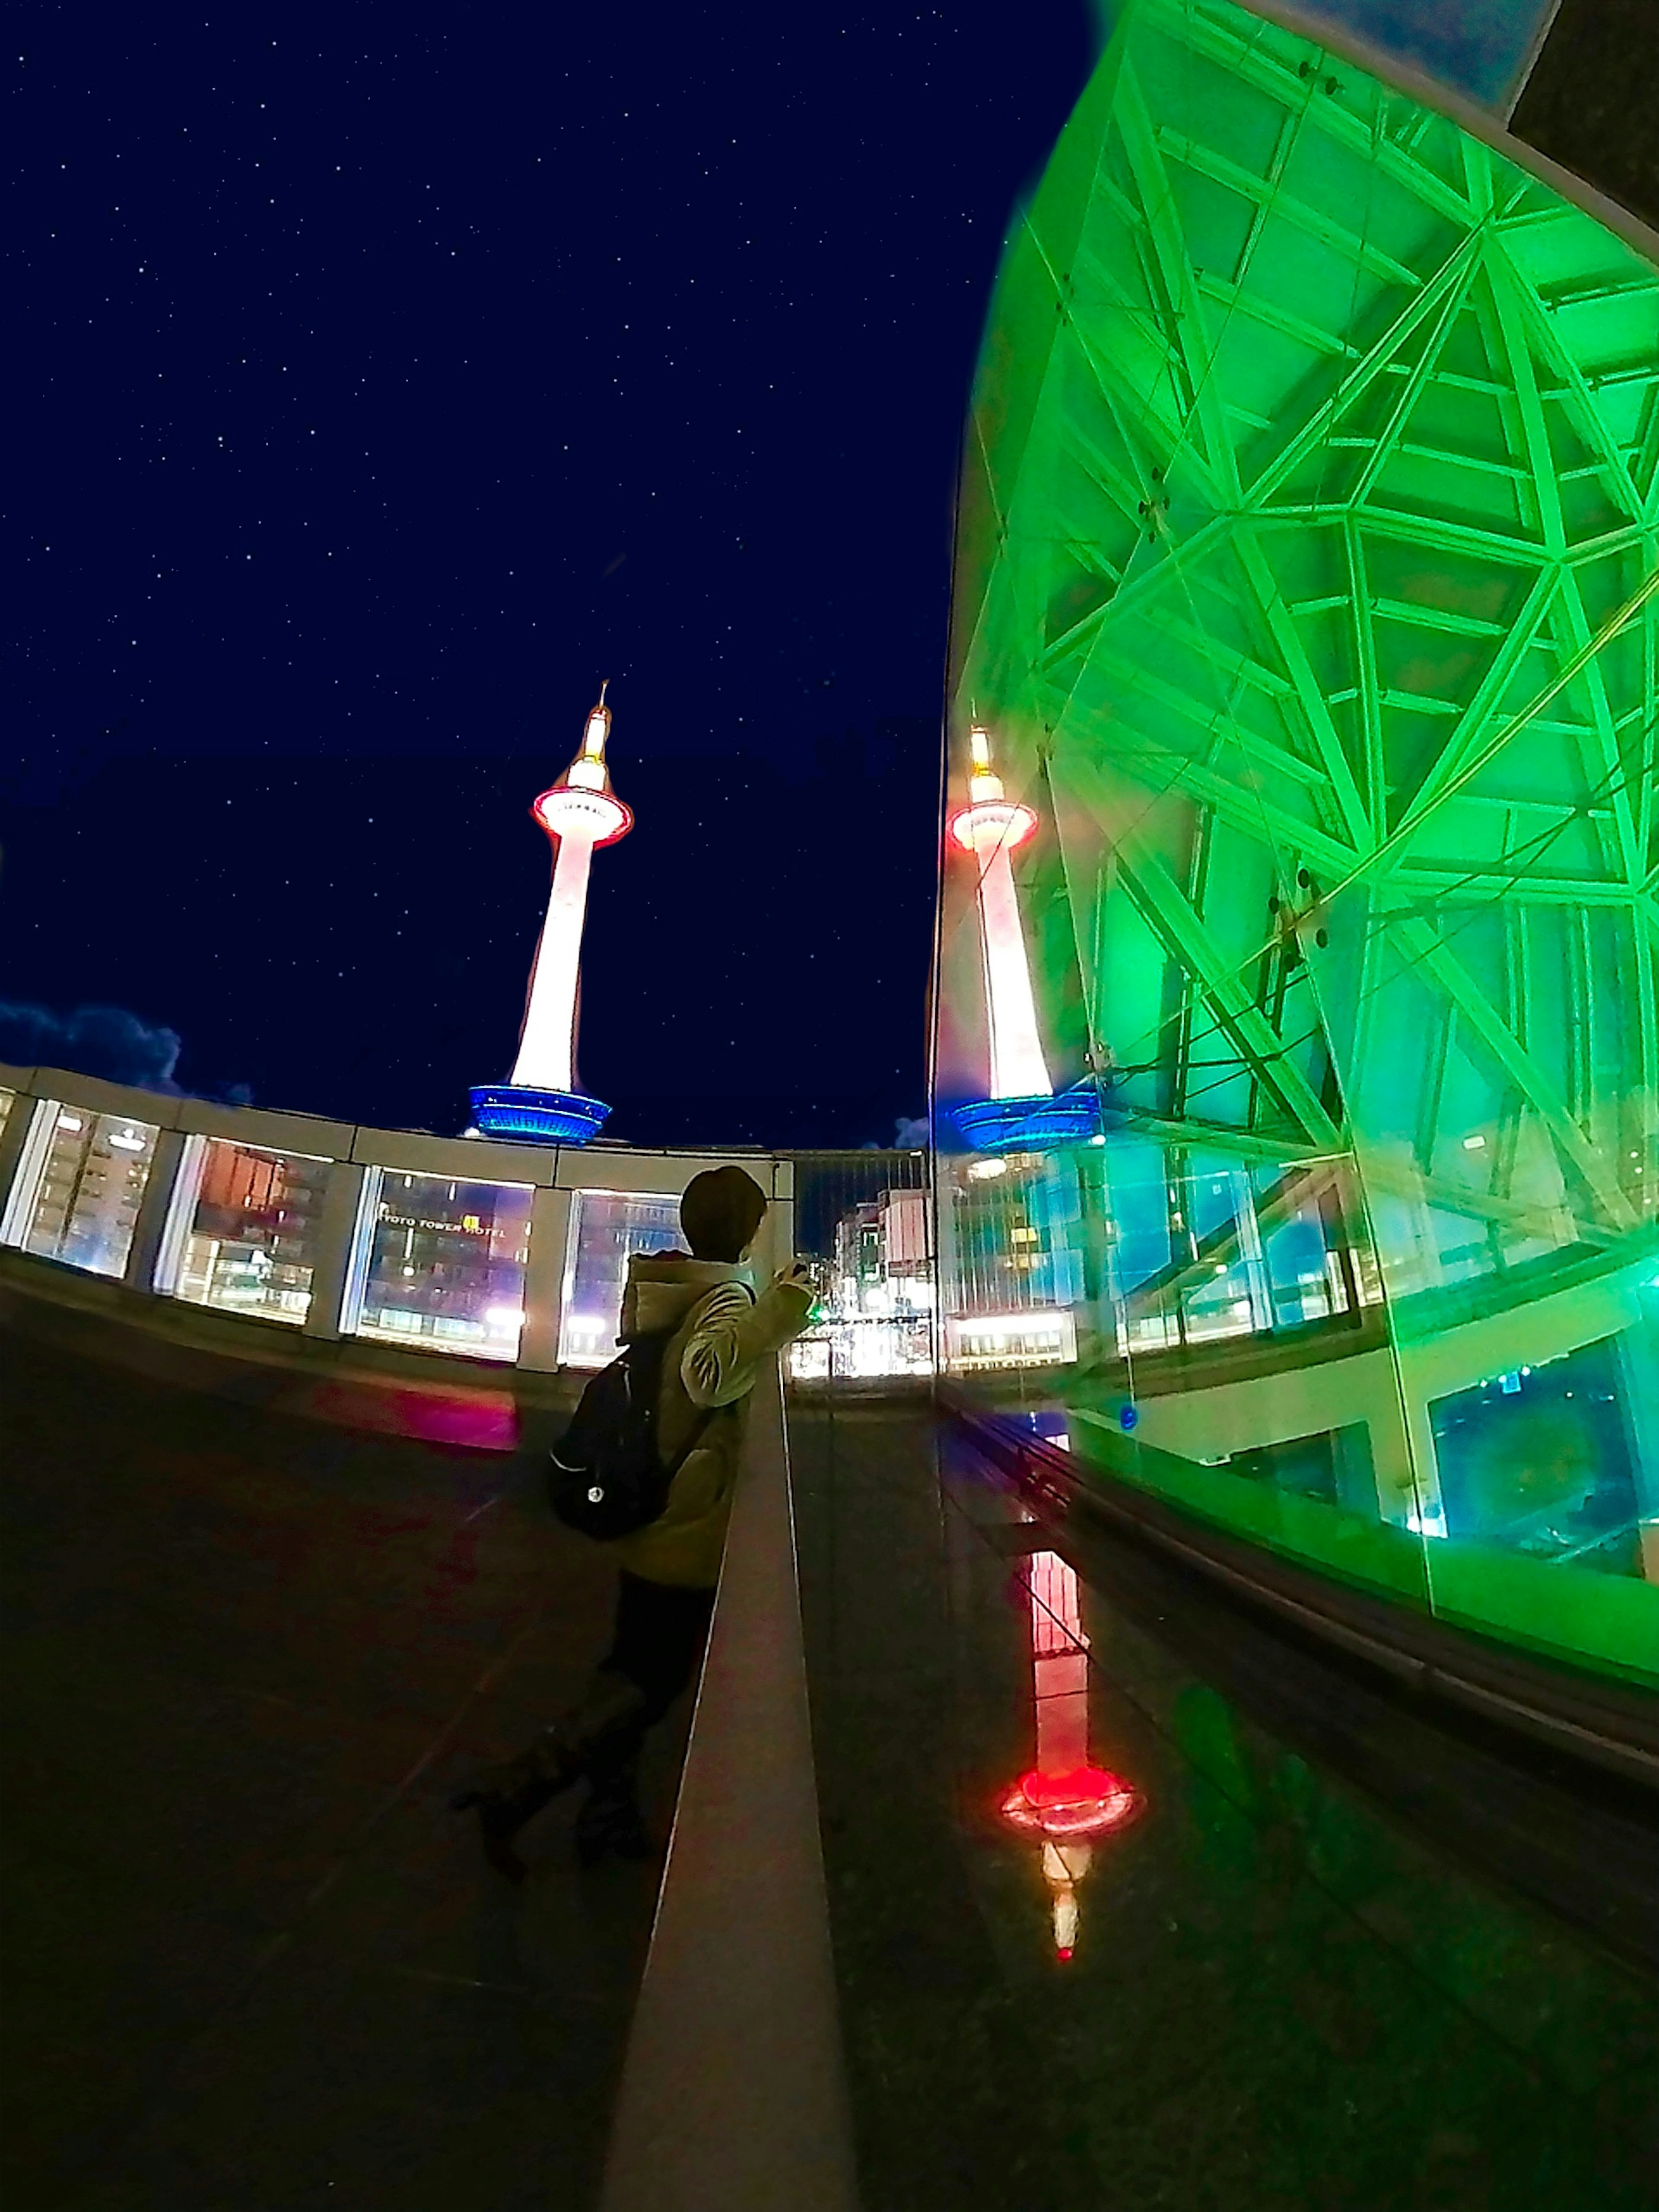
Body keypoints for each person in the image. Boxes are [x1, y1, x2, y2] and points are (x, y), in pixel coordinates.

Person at [453, 1163, 816, 1877]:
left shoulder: (672, 1289)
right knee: (651, 1682)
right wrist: (786, 1308)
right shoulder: (721, 1298)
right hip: (686, 1524)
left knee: (630, 1670)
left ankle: (607, 1818)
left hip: (654, 1513)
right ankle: (521, 1789)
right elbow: (709, 1376)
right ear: (747, 1229)